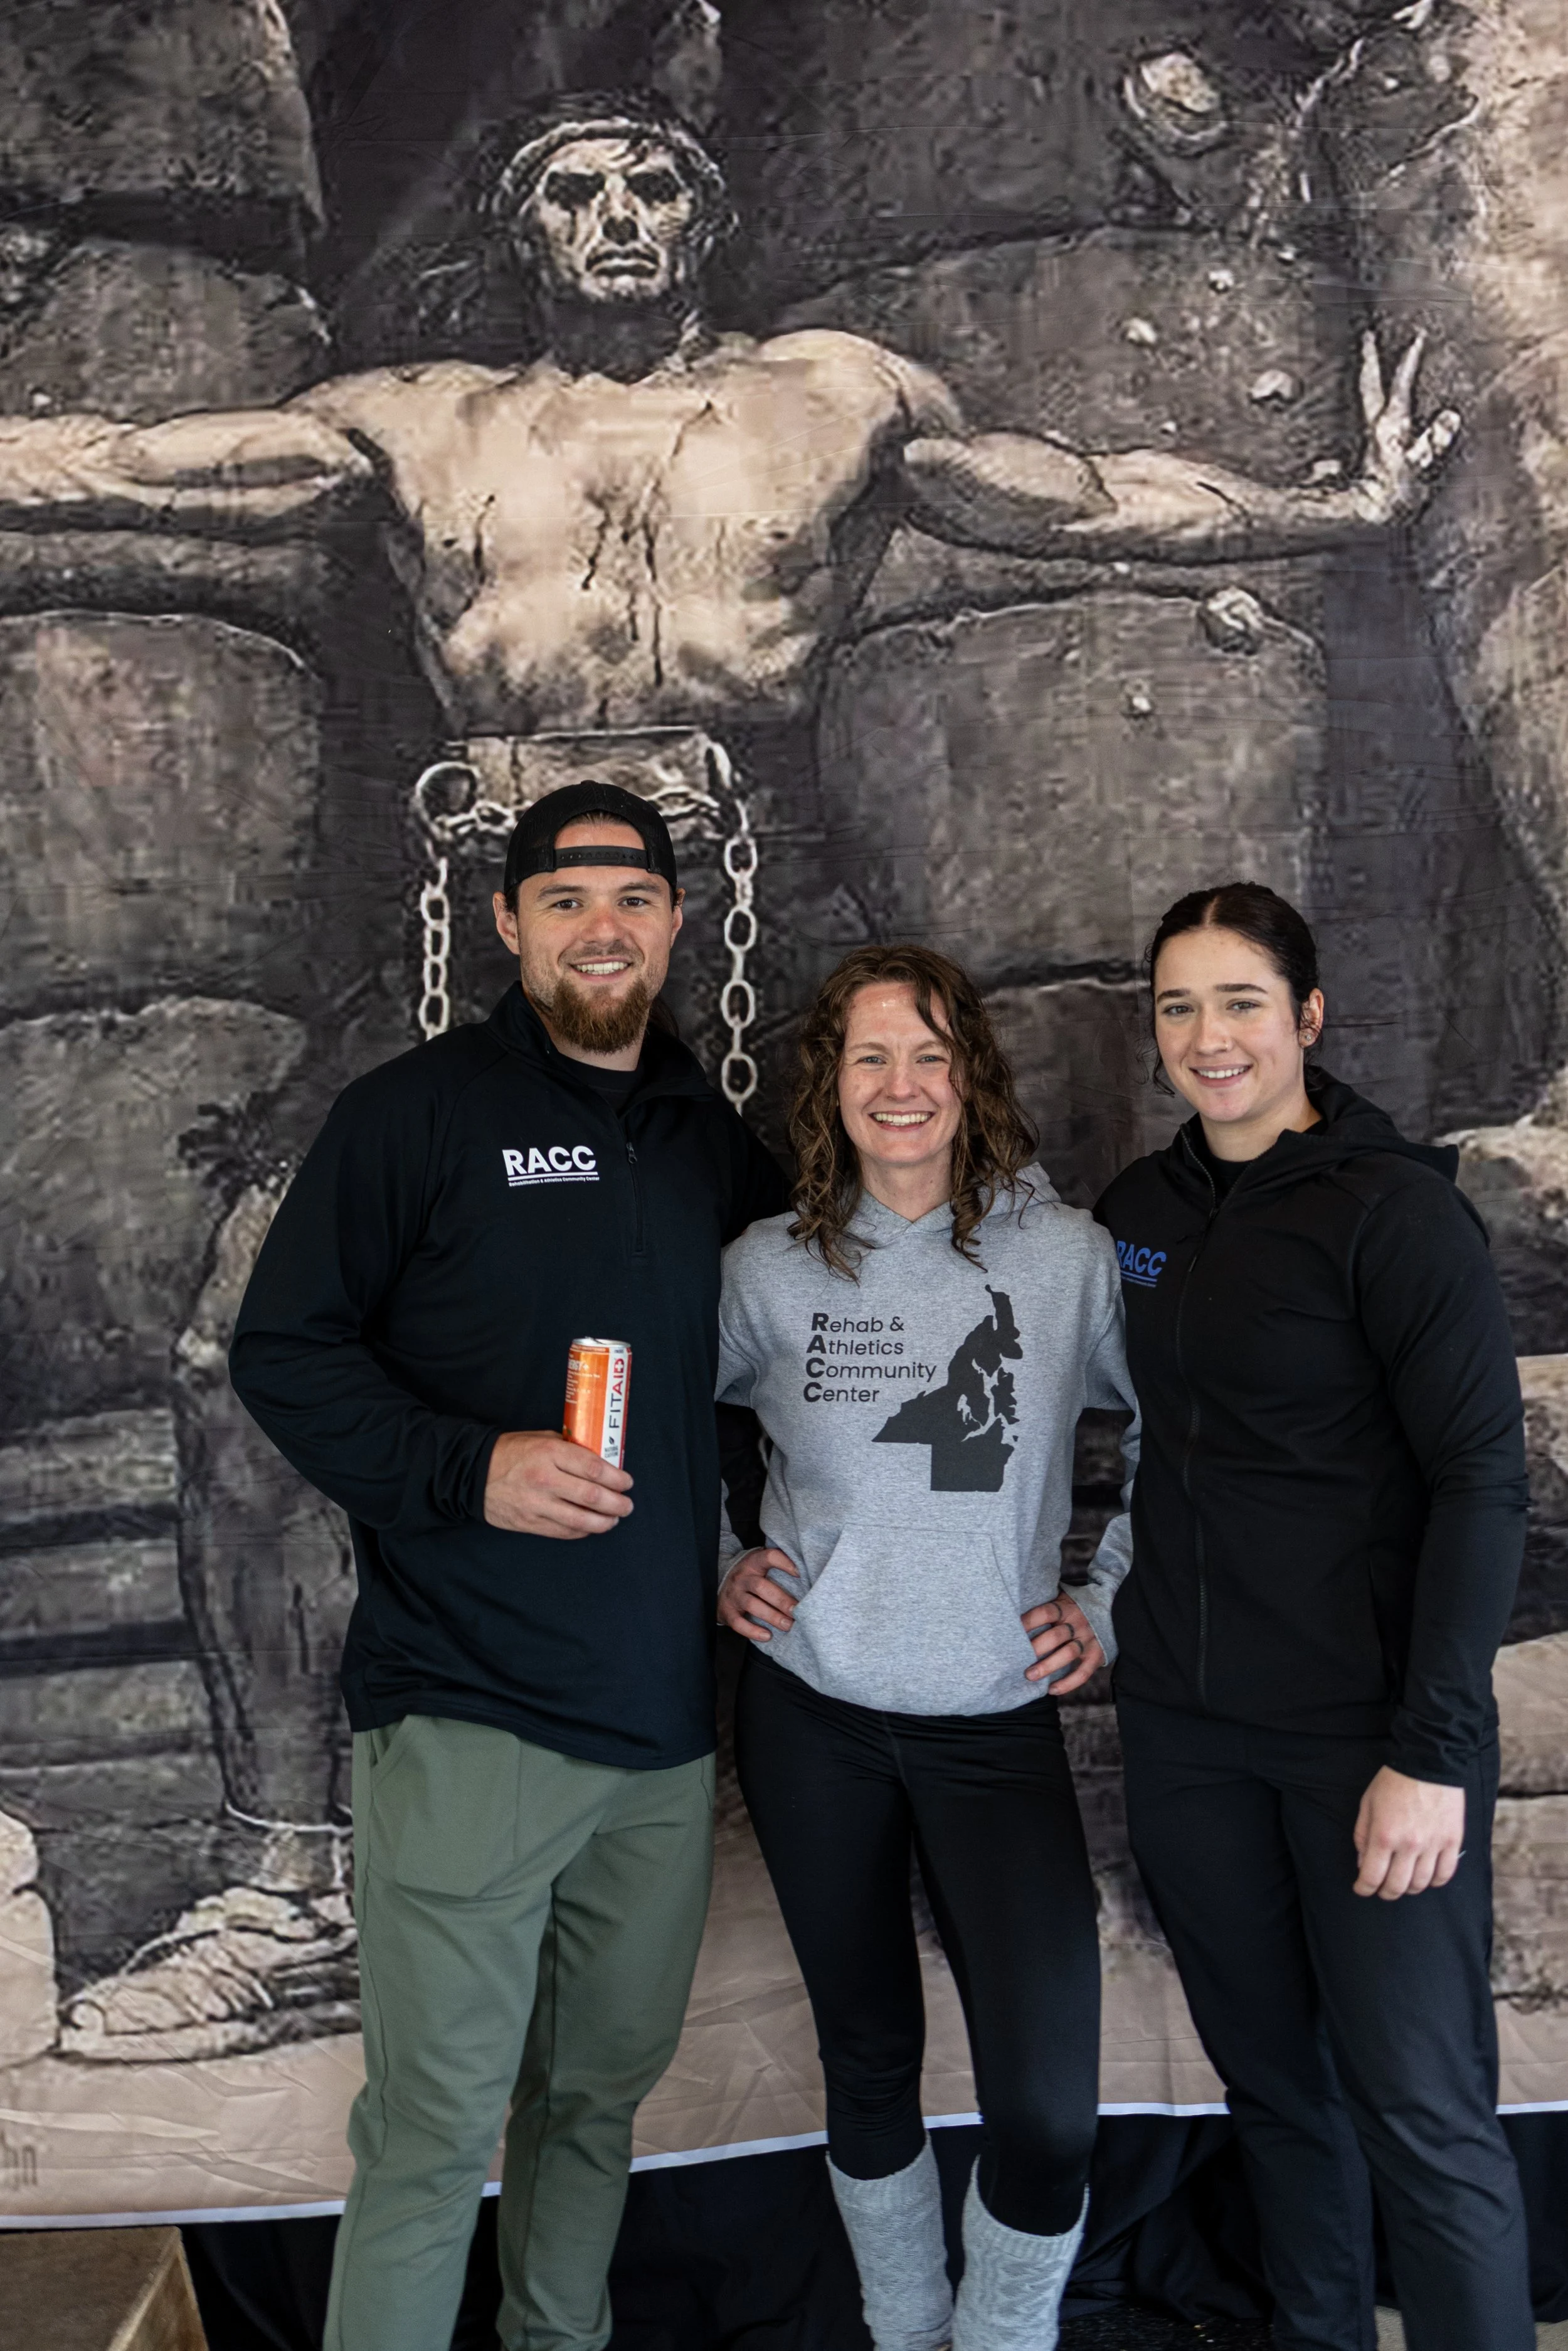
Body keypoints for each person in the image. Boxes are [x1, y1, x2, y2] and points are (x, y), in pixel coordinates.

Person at [0, 90, 1456, 1078]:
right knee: (318, 1297)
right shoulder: (411, 419)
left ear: (700, 225)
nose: (617, 214)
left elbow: (1084, 498)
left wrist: (1343, 504)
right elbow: (127, 464)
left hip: (752, 873)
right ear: (528, 234)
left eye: (652, 188)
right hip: (494, 888)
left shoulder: (831, 395)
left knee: (839, 1287)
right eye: (575, 193)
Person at [228, 780, 785, 2351]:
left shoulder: (708, 1146)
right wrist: (472, 1465)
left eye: (629, 899)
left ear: (676, 924)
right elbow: (285, 1351)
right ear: (506, 920)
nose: (598, 927)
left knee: (594, 2106)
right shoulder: (410, 1115)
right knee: (429, 2132)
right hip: (468, 1711)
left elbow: (756, 1400)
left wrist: (746, 1552)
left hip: (664, 1738)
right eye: (562, 899)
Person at [1096, 881, 1533, 2351]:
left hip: (1368, 1741)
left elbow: (1480, 1482)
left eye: (1237, 1002)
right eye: (1177, 1005)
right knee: (1276, 2091)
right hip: (1186, 1735)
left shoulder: (1392, 1210)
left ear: (1305, 1018)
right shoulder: (1137, 1215)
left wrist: (1431, 1747)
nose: (1206, 1036)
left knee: (1418, 2107)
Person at [715, 943, 1138, 2351]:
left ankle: (1002, 2337)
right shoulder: (765, 1271)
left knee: (1043, 2104)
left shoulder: (1064, 1258)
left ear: (973, 1079)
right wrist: (725, 1560)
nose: (900, 1086)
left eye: (929, 1054)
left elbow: (1178, 1434)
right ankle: (905, 2327)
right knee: (870, 2060)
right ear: (827, 1086)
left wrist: (1107, 1597)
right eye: (869, 1058)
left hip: (990, 1710)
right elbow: (658, 1429)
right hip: (812, 1714)